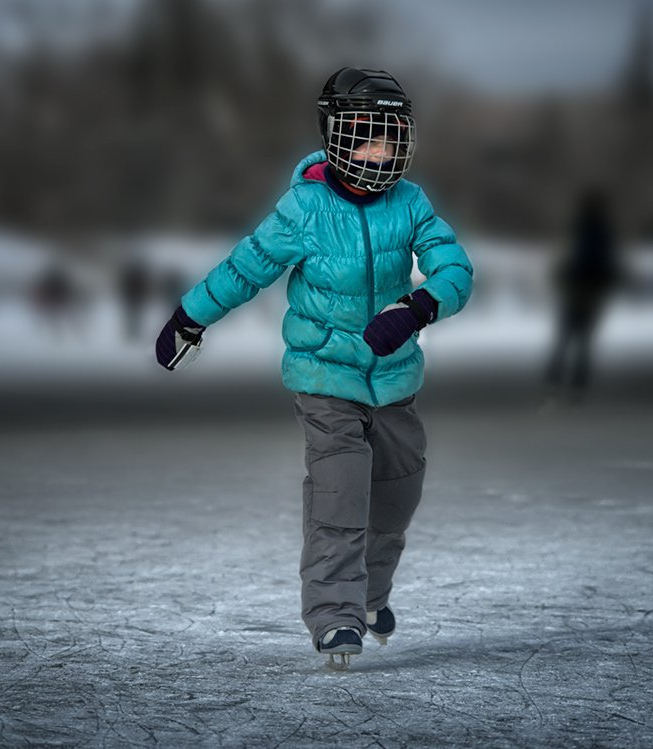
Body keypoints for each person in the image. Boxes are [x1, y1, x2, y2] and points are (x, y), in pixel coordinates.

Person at [154, 68, 473, 669]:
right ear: (337, 137)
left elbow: (456, 269)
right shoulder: (305, 206)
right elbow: (246, 267)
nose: (379, 154)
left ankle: (371, 596)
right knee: (341, 492)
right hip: (324, 376)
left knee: (397, 499)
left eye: (390, 139)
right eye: (366, 138)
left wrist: (418, 305)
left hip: (394, 380)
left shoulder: (410, 202)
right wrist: (189, 317)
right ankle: (334, 617)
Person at [542, 189, 619, 407]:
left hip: (578, 288)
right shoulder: (600, 231)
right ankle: (575, 384)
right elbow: (602, 262)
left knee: (567, 338)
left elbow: (573, 259)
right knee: (582, 340)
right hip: (589, 289)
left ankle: (556, 381)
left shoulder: (583, 229)